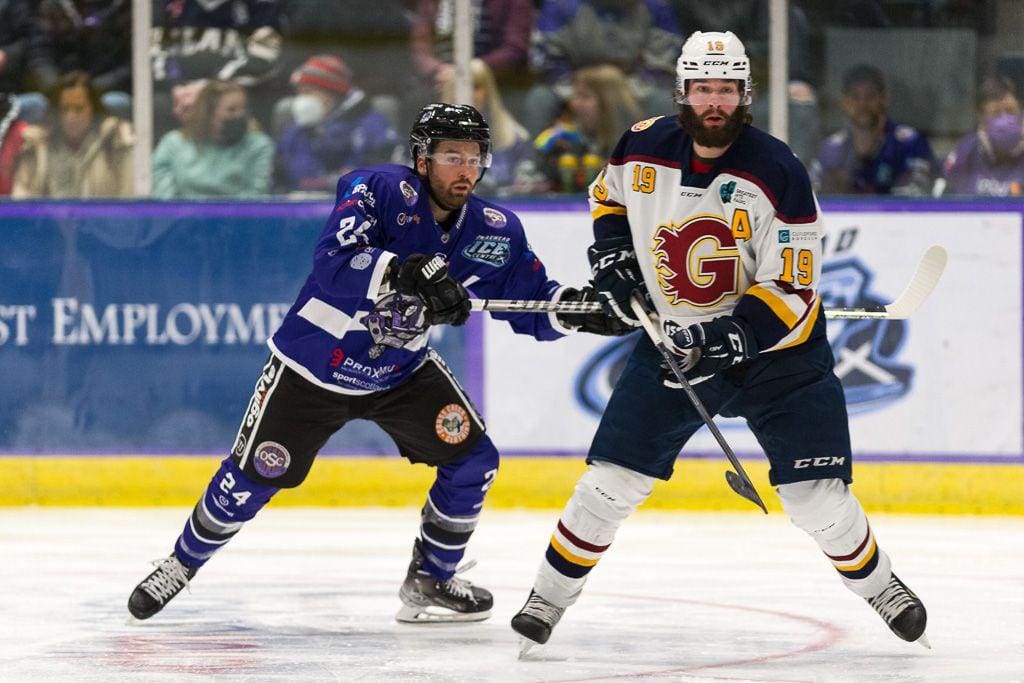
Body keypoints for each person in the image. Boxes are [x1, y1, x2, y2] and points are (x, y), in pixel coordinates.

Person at [127, 102, 629, 624]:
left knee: (472, 460)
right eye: (452, 156)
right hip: (311, 369)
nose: (465, 169)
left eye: (475, 157)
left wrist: (583, 313)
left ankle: (431, 579)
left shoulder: (495, 230)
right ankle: (180, 564)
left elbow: (528, 304)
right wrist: (408, 272)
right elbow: (333, 262)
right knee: (253, 476)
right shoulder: (379, 191)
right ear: (421, 159)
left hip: (400, 372)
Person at [510, 31, 929, 652]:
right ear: (683, 91)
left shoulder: (778, 170)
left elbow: (792, 285)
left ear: (745, 96)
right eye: (704, 88)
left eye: (727, 90)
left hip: (780, 357)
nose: (715, 102)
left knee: (816, 500)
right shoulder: (643, 144)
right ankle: (547, 597)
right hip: (673, 343)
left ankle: (882, 586)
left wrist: (737, 332)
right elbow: (608, 196)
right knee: (609, 482)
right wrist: (615, 254)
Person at [523, 0, 681, 136]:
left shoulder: (656, 5)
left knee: (663, 100)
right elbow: (544, 60)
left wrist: (619, 88)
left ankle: (665, 164)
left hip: (635, 84)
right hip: (572, 83)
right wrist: (582, 87)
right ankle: (531, 166)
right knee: (540, 98)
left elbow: (664, 62)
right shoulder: (560, 4)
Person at [275, 54, 402, 193]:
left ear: (332, 93)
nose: (302, 100)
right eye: (299, 92)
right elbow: (277, 180)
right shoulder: (294, 132)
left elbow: (374, 178)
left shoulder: (370, 128)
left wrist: (324, 184)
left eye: (308, 92)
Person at [810, 63, 935, 195]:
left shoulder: (909, 143)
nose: (862, 104)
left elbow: (916, 199)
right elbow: (812, 195)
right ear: (844, 102)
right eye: (855, 97)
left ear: (884, 99)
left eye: (870, 96)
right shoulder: (831, 149)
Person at [12, 70, 133, 198]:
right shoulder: (37, 145)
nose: (71, 116)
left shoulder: (117, 141)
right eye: (65, 109)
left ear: (93, 109)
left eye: (78, 108)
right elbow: (22, 201)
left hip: (106, 217)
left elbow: (131, 199)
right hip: (51, 217)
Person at [152, 79, 274, 198]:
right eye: (231, 110)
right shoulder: (172, 144)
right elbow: (164, 198)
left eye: (244, 108)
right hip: (183, 216)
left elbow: (257, 196)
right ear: (208, 113)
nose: (240, 115)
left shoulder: (259, 145)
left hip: (239, 216)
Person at [533, 64, 642, 193]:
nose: (574, 103)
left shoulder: (636, 142)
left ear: (609, 103)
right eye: (575, 95)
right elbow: (532, 176)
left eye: (585, 96)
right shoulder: (559, 137)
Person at [439, 57, 540, 196]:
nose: (468, 94)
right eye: (462, 87)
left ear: (488, 91)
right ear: (451, 90)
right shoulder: (431, 139)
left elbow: (527, 187)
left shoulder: (516, 138)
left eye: (475, 87)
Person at [939, 76, 1024, 196]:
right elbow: (942, 202)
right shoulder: (967, 150)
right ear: (982, 119)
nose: (1005, 120)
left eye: (1011, 111)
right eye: (996, 113)